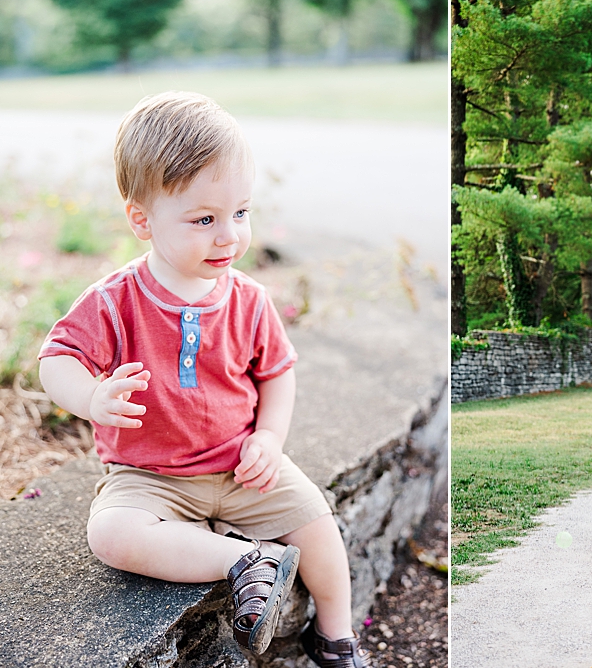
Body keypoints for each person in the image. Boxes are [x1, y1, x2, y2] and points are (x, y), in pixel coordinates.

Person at [37, 92, 371, 667]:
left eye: (241, 213)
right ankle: (242, 561)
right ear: (142, 220)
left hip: (240, 463)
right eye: (205, 220)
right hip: (151, 475)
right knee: (111, 535)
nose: (229, 236)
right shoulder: (116, 302)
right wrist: (92, 396)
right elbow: (56, 359)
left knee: (317, 523)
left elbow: (277, 374)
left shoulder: (248, 299)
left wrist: (268, 439)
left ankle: (335, 634)